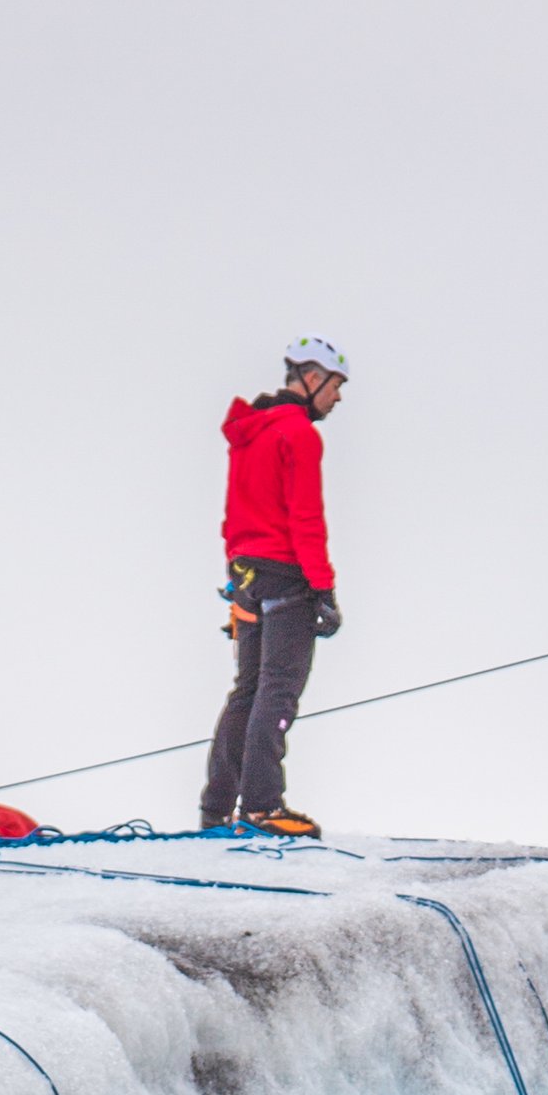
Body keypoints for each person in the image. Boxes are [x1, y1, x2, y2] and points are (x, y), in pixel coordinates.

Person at [203, 339, 347, 840]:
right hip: (286, 575)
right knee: (277, 691)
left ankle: (216, 808)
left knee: (247, 690)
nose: (338, 398)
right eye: (336, 386)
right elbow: (306, 517)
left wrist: (235, 580)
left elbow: (233, 517)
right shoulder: (298, 433)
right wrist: (323, 589)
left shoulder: (251, 432)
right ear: (313, 378)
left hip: (246, 574)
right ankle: (263, 807)